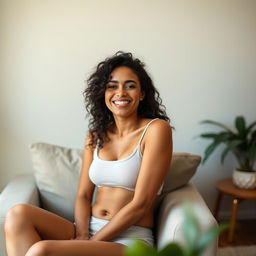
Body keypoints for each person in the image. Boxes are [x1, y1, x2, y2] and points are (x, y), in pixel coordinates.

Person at [4, 51, 173, 256]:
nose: (121, 92)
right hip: (89, 229)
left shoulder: (156, 130)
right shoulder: (95, 136)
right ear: (103, 93)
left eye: (130, 85)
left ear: (142, 93)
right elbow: (84, 195)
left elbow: (141, 204)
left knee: (42, 250)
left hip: (131, 239)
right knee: (18, 214)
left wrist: (93, 241)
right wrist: (83, 234)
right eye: (112, 86)